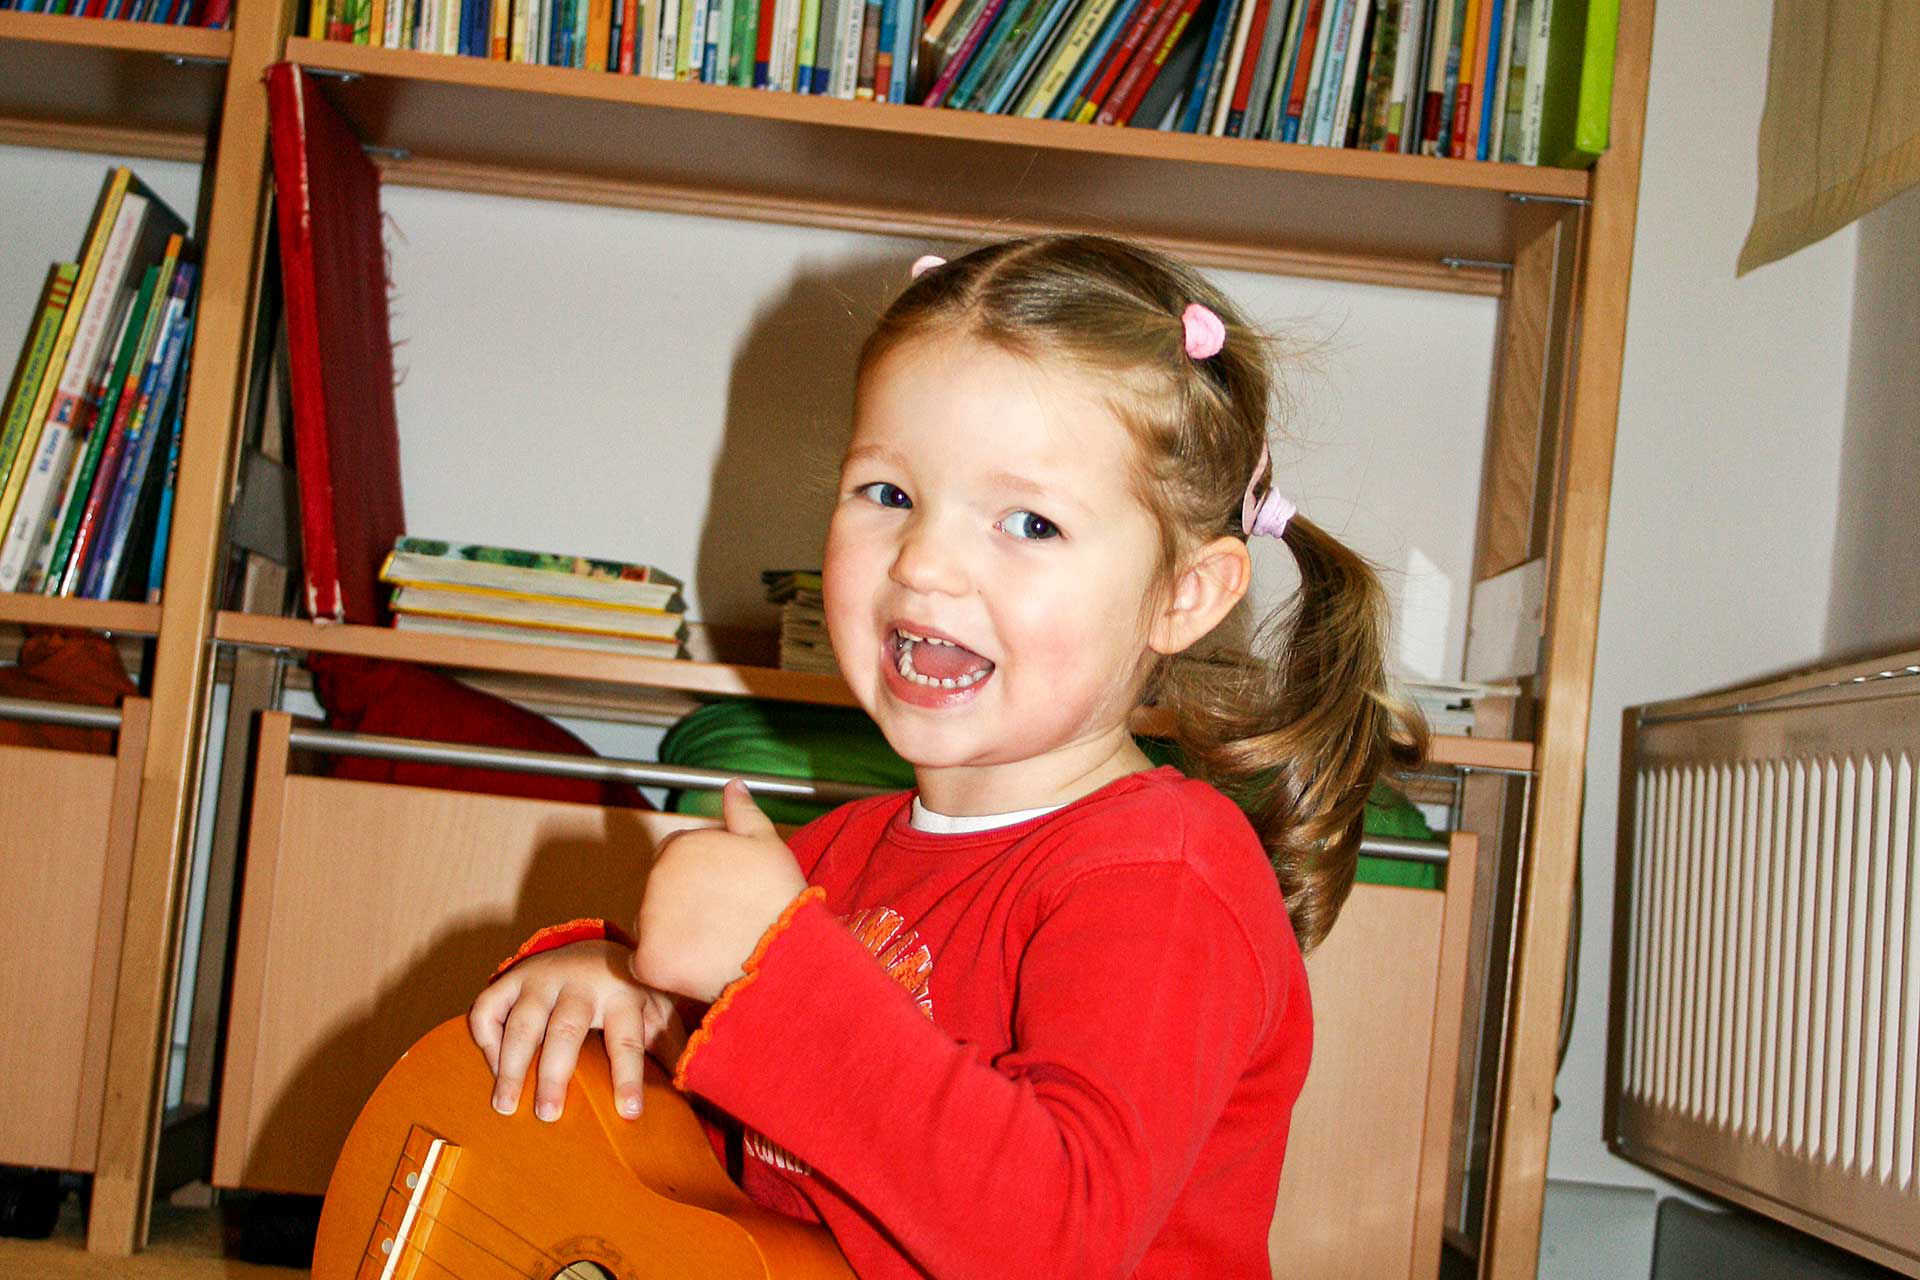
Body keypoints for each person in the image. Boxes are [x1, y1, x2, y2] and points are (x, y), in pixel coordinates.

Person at [469, 234, 1425, 1277]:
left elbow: (1052, 1234)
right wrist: (621, 991)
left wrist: (768, 969)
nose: (924, 560)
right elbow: (752, 1173)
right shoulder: (835, 857)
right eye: (888, 494)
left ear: (1183, 594)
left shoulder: (1166, 875)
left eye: (1028, 521)